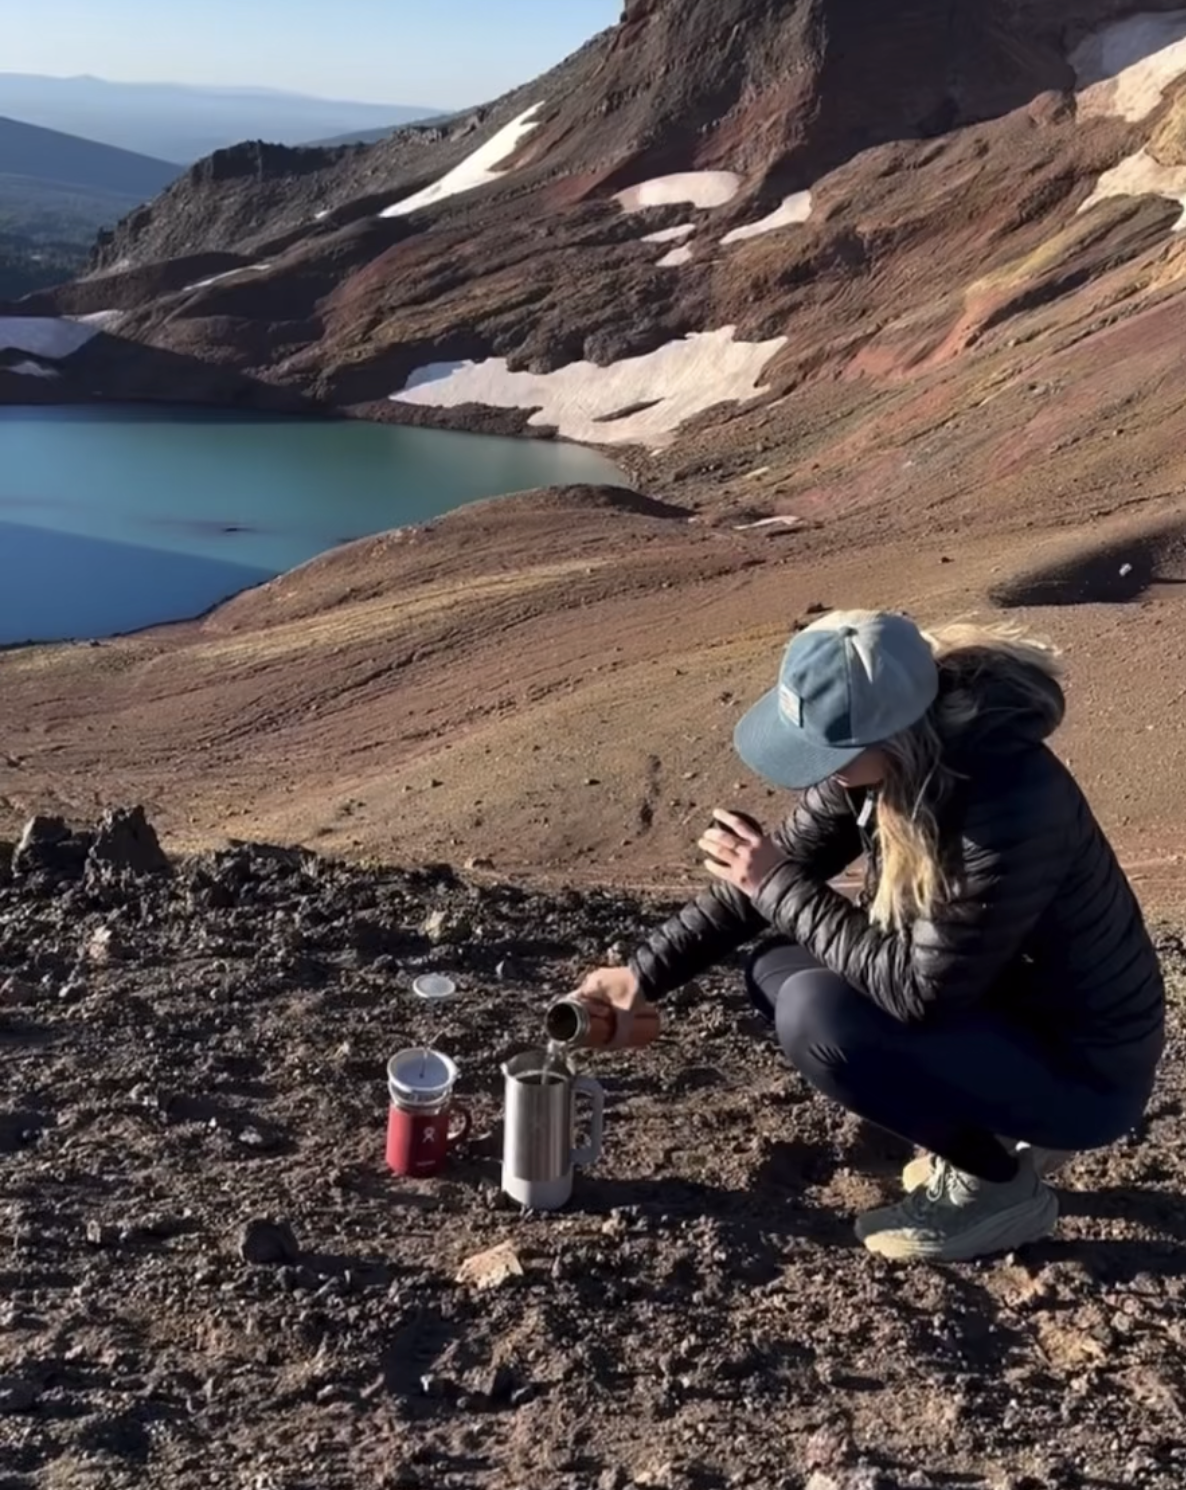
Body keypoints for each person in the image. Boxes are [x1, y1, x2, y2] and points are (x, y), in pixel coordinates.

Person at [573, 610, 1165, 1262]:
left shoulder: (1005, 804)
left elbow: (918, 993)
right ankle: (985, 1131)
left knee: (816, 1014)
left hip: (1083, 1072)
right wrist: (641, 975)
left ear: (890, 736)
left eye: (829, 753)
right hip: (1001, 1007)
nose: (816, 769)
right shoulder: (889, 758)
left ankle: (995, 1188)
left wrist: (771, 882)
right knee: (776, 968)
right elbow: (770, 874)